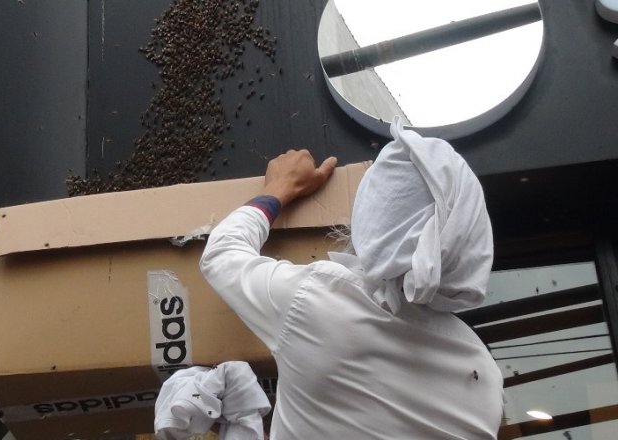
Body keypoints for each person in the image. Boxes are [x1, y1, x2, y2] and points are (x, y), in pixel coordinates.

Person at [199, 120, 503, 439]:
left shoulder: (320, 302)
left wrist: (279, 186)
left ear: (374, 219)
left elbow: (222, 254)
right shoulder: (487, 380)